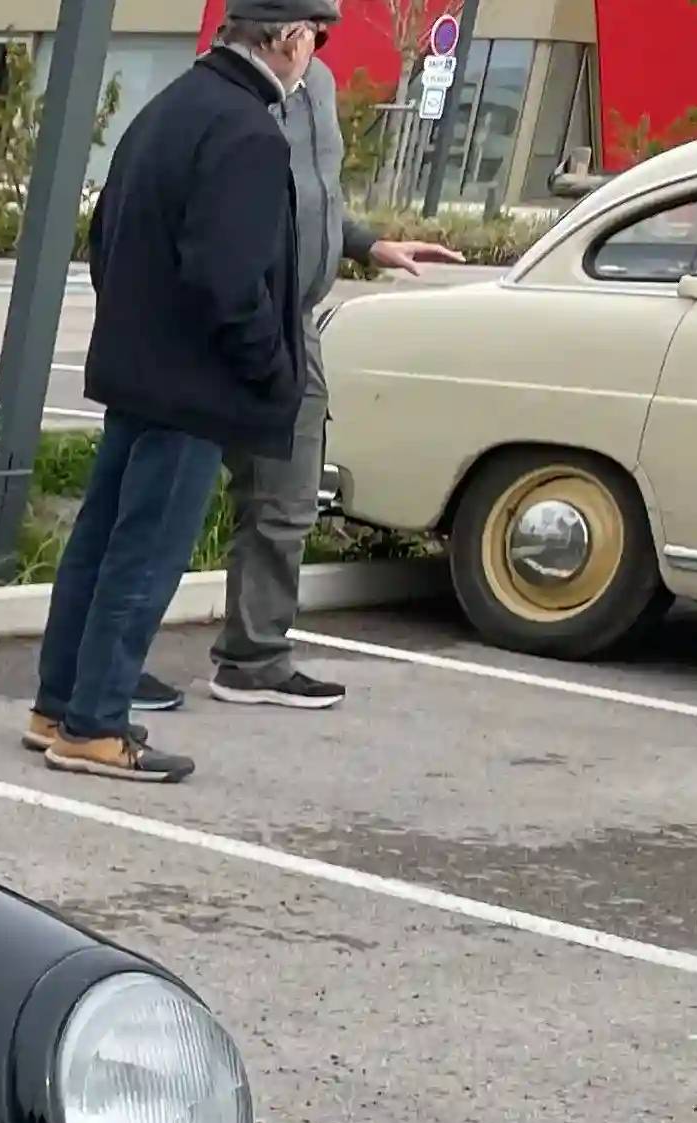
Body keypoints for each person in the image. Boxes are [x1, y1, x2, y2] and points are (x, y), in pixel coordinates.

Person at [25, 0, 328, 784]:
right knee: (145, 557)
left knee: (98, 546)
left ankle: (58, 705)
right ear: (290, 39)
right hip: (193, 383)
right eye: (314, 39)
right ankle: (95, 725)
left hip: (137, 369)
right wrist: (269, 367)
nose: (312, 56)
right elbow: (231, 280)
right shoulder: (250, 132)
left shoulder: (169, 108)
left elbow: (107, 241)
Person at [206, 22, 464, 709]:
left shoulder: (315, 84)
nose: (318, 35)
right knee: (165, 495)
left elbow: (315, 198)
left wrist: (369, 244)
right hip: (238, 315)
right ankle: (109, 668)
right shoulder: (232, 94)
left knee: (286, 494)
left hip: (297, 320)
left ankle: (253, 656)